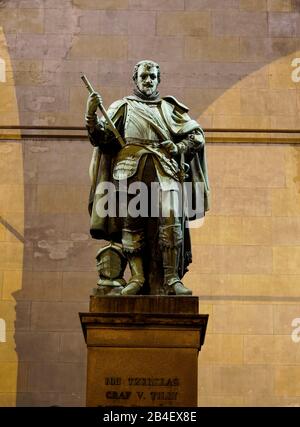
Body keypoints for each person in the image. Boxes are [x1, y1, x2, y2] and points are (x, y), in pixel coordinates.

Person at [85, 60, 210, 296]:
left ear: (158, 79)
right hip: (129, 169)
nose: (148, 80)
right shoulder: (122, 106)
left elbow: (197, 137)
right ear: (136, 79)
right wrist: (91, 112)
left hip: (165, 169)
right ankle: (138, 278)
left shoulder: (170, 108)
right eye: (144, 76)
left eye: (152, 76)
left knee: (171, 222)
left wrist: (177, 147)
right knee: (132, 224)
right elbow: (100, 137)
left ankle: (172, 279)